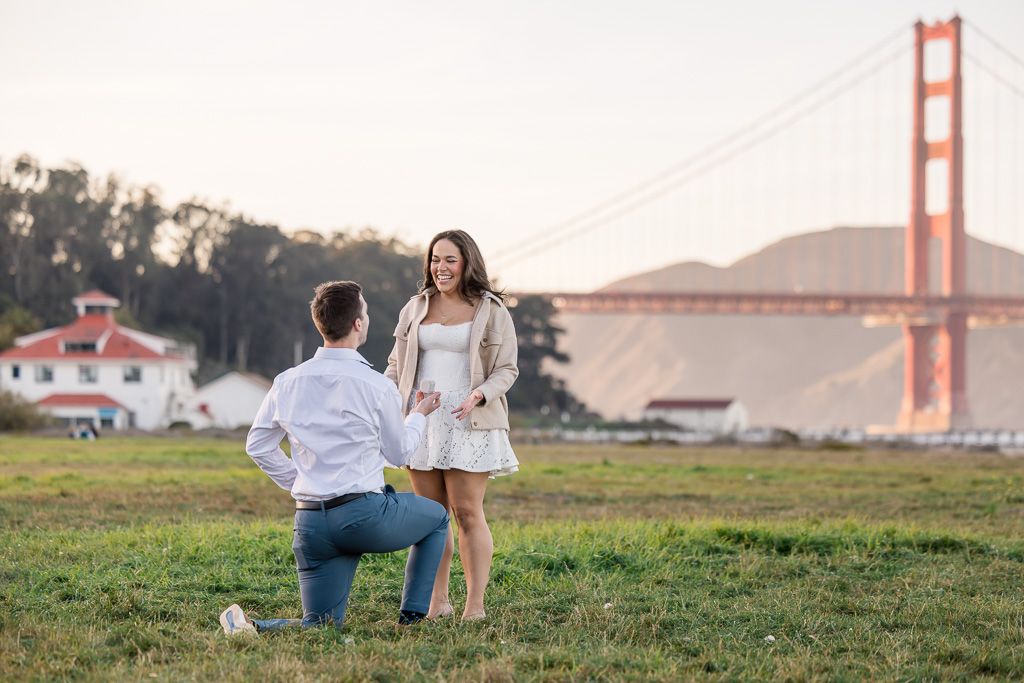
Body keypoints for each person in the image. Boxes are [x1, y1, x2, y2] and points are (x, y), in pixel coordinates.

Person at [219, 280, 449, 636]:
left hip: (311, 524)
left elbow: (258, 446)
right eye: (367, 311)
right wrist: (419, 413)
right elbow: (400, 452)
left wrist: (300, 483)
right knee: (436, 518)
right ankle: (412, 619)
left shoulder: (286, 381)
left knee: (320, 626)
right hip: (364, 518)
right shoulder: (377, 385)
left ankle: (253, 627)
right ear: (358, 324)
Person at [386, 230, 519, 621]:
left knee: (467, 512)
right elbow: (396, 364)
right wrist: (389, 402)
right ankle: (437, 602)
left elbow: (507, 368)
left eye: (450, 260)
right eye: (435, 259)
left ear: (467, 263)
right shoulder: (414, 307)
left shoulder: (492, 309)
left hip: (469, 419)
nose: (440, 268)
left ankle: (474, 606)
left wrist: (479, 395)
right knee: (430, 516)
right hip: (422, 420)